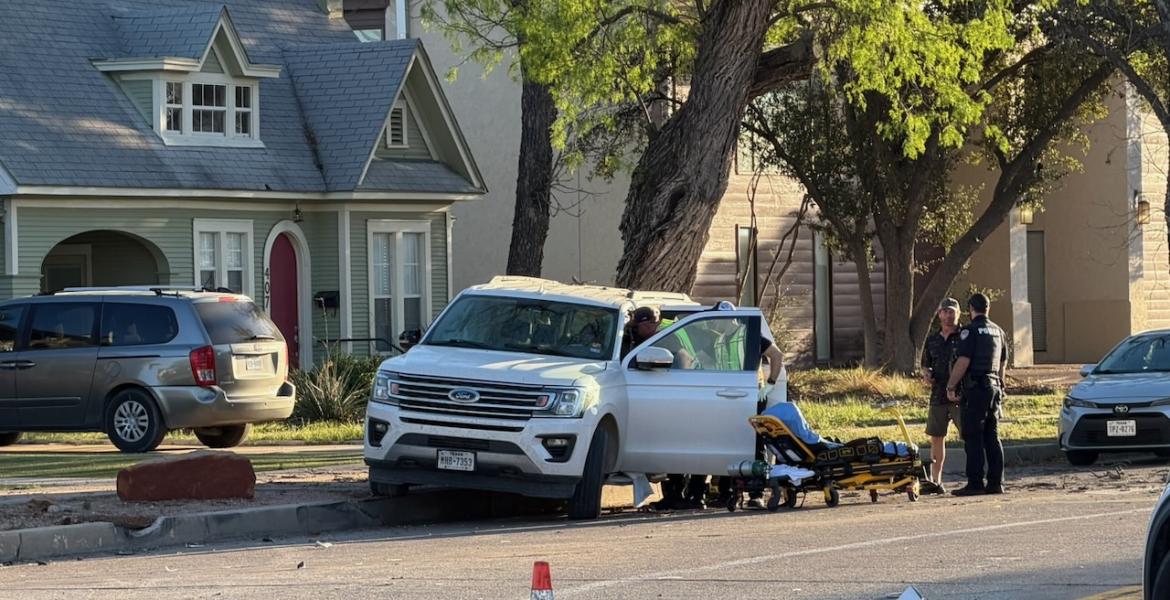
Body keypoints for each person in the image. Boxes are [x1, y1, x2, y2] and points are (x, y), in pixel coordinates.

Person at [945, 293, 1009, 496]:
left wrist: (951, 386)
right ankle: (996, 482)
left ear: (971, 308)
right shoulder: (998, 331)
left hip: (976, 389)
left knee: (973, 436)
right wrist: (1001, 386)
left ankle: (975, 482)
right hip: (993, 388)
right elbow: (1001, 364)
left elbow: (963, 361)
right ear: (988, 308)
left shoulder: (970, 331)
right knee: (992, 435)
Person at [920, 297, 963, 494]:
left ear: (959, 313)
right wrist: (926, 375)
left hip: (960, 396)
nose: (949, 315)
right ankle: (936, 480)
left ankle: (975, 477)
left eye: (952, 311)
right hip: (938, 395)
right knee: (937, 437)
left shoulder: (965, 336)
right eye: (945, 311)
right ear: (939, 315)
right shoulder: (932, 340)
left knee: (969, 435)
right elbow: (924, 364)